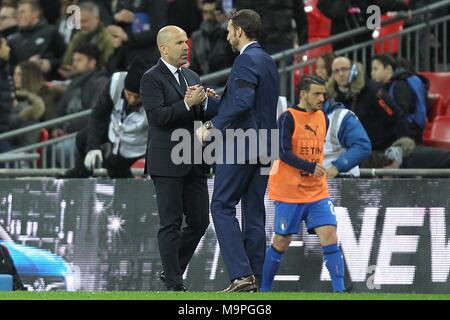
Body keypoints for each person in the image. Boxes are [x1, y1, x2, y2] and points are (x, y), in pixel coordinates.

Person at [196, 9, 279, 292]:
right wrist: (214, 101)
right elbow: (250, 103)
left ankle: (241, 275)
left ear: (240, 31)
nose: (228, 35)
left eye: (230, 30)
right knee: (254, 213)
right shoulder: (268, 61)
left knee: (221, 205)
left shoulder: (245, 61)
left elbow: (243, 102)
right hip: (265, 145)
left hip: (242, 145)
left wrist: (212, 125)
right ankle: (255, 280)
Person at [140, 26, 211, 291]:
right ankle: (174, 283)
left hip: (194, 157)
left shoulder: (192, 75)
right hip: (167, 161)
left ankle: (172, 270)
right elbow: (157, 117)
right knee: (170, 223)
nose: (185, 46)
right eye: (179, 42)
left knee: (200, 220)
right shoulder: (151, 78)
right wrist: (187, 104)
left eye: (186, 41)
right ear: (163, 48)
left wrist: (205, 104)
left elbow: (198, 117)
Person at [261, 75, 345, 293]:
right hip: (289, 192)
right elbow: (282, 152)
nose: (322, 98)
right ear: (303, 94)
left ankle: (340, 291)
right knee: (281, 242)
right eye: (316, 93)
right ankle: (264, 290)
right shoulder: (287, 118)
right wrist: (308, 166)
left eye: (324, 93)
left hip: (317, 191)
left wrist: (312, 168)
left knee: (330, 236)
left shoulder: (322, 118)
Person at [61, 58, 149, 179]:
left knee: (114, 167)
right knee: (82, 138)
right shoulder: (116, 82)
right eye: (129, 94)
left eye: (138, 97)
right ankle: (81, 173)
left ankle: (128, 193)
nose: (132, 100)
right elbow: (98, 115)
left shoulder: (158, 96)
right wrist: (93, 147)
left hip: (138, 138)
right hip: (116, 125)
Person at [371, 54, 429, 144]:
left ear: (388, 69)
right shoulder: (386, 87)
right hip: (396, 131)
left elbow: (400, 115)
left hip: (409, 135)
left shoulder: (399, 86)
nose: (372, 73)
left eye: (375, 69)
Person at [322, 98, 372, 178]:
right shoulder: (297, 116)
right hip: (310, 182)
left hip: (341, 180)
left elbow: (362, 146)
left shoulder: (342, 116)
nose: (320, 97)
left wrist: (337, 167)